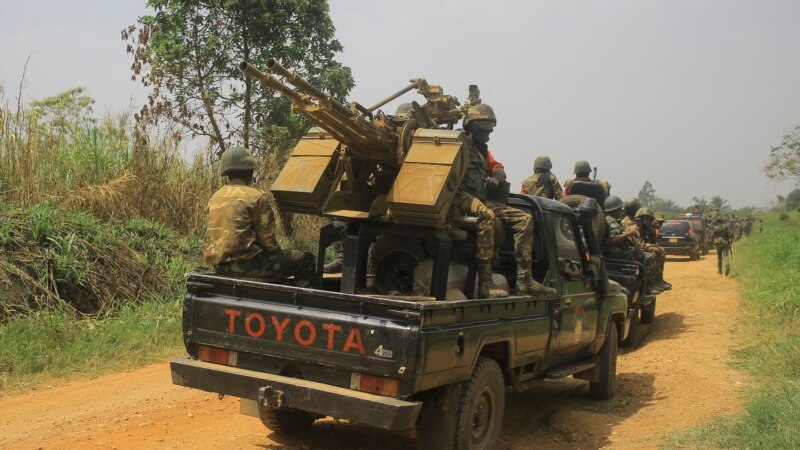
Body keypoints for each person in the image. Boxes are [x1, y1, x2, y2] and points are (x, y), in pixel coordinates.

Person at [453, 100, 556, 298]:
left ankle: (525, 279)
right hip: (458, 197)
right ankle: (485, 283)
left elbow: (498, 167)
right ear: (472, 125)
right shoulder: (458, 143)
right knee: (487, 216)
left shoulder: (481, 149)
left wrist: (496, 179)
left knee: (524, 219)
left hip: (479, 198)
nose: (488, 132)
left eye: (490, 128)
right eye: (484, 127)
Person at [203, 147, 316, 286]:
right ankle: (299, 303)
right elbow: (268, 242)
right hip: (248, 266)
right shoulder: (255, 196)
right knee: (307, 259)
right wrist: (275, 254)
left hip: (220, 266)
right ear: (250, 171)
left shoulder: (215, 197)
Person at [601, 197, 661, 295]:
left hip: (619, 251)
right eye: (619, 208)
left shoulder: (611, 219)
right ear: (615, 209)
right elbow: (613, 240)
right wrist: (629, 233)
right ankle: (647, 287)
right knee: (649, 257)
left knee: (643, 253)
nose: (621, 210)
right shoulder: (611, 221)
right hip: (617, 253)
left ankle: (647, 284)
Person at [635, 208, 671, 290]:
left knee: (660, 250)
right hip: (637, 250)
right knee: (652, 255)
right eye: (645, 220)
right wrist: (652, 246)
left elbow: (651, 241)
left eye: (649, 220)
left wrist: (654, 246)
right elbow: (640, 243)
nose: (648, 222)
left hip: (642, 248)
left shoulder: (649, 229)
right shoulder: (635, 227)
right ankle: (650, 283)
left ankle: (658, 279)